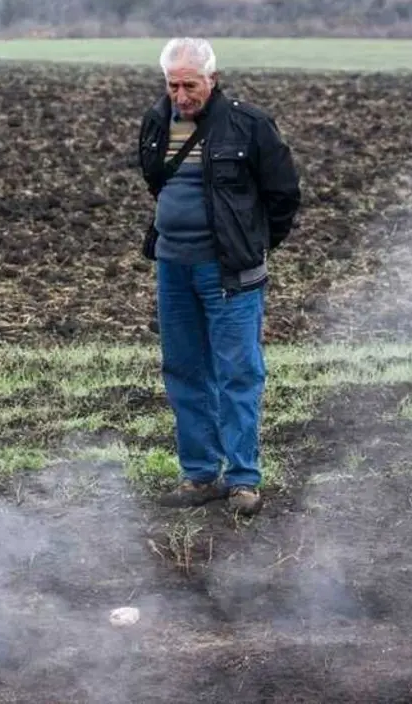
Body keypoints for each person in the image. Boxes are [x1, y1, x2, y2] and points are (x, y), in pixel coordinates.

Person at [136, 37, 302, 516]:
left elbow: (283, 195)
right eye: (173, 85)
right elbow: (156, 182)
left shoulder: (249, 125)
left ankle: (243, 480)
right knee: (184, 370)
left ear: (212, 78)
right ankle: (200, 475)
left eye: (190, 84)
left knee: (237, 373)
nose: (181, 95)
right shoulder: (156, 121)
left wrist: (251, 245)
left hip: (230, 272)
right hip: (173, 267)